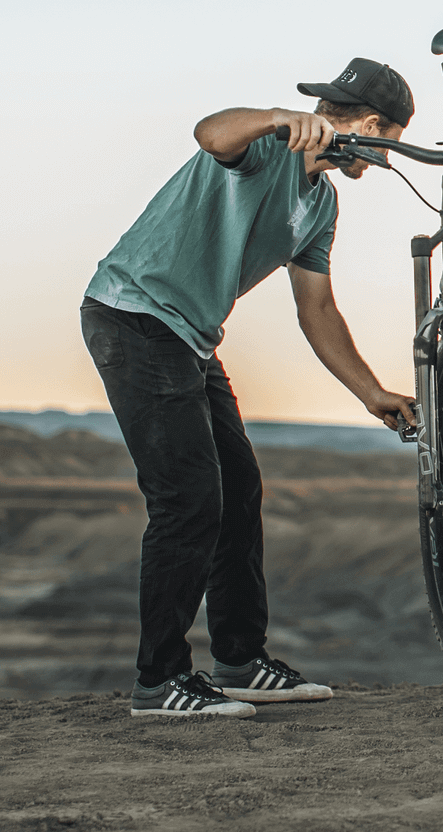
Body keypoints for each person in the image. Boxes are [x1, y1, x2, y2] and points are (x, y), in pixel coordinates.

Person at [80, 58, 416, 718]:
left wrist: (370, 393)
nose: (384, 158)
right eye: (391, 141)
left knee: (239, 489)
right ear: (374, 127)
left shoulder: (320, 203)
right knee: (187, 497)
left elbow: (317, 310)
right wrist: (274, 118)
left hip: (188, 337)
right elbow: (210, 134)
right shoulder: (267, 146)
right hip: (134, 314)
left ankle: (238, 657)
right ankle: (160, 681)